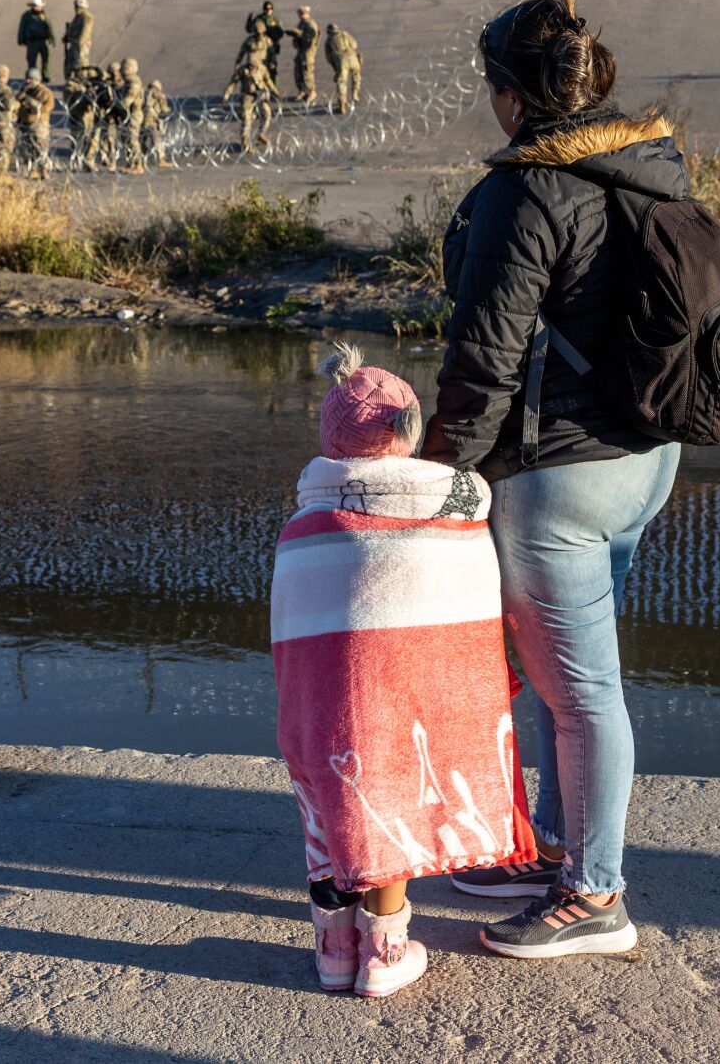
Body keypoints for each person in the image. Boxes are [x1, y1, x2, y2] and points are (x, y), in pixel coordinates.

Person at [421, 0, 682, 960]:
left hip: (561, 477)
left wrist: (439, 478)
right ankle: (555, 851)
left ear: (512, 91)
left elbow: (482, 356)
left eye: (490, 84)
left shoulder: (525, 186)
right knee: (563, 673)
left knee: (579, 693)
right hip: (645, 457)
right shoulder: (648, 161)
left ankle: (595, 894)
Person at [271, 342, 534, 997]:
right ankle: (385, 949)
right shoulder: (457, 512)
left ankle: (334, 948)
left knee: (327, 794)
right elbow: (468, 621)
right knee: (387, 792)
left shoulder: (304, 524)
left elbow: (289, 627)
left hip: (320, 700)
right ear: (410, 431)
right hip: (402, 700)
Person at [223, 52, 276, 153]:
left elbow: (268, 81)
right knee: (247, 120)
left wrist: (275, 92)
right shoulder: (243, 70)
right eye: (250, 64)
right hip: (247, 96)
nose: (251, 66)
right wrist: (226, 94)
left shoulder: (262, 69)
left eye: (253, 64)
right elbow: (233, 83)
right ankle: (245, 142)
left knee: (267, 113)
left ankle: (262, 133)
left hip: (260, 95)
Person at [16, 75, 55, 177]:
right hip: (24, 123)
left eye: (30, 79)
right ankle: (32, 169)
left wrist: (34, 105)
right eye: (27, 78)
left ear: (37, 80)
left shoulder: (44, 92)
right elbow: (17, 102)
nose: (27, 81)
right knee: (27, 148)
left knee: (40, 147)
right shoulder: (24, 90)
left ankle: (43, 170)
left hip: (39, 124)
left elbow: (48, 106)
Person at [115, 58, 147, 174]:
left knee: (132, 138)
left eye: (125, 67)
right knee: (125, 138)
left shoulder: (134, 84)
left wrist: (114, 104)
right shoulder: (126, 83)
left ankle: (138, 165)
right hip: (126, 115)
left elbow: (126, 102)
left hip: (134, 114)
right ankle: (130, 163)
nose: (122, 69)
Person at [325, 23, 362, 114]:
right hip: (353, 58)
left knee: (341, 82)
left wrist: (335, 68)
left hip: (341, 61)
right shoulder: (345, 34)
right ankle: (355, 94)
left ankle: (342, 105)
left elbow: (329, 57)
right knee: (356, 76)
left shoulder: (329, 40)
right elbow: (354, 45)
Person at [17, 0, 56, 83]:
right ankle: (32, 76)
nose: (36, 7)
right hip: (32, 41)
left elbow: (49, 27)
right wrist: (20, 38)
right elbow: (22, 27)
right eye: (35, 5)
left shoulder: (44, 16)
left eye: (38, 6)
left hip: (43, 41)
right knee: (31, 60)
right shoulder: (27, 16)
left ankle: (45, 75)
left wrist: (52, 38)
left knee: (46, 59)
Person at [288, 7, 320, 105]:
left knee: (307, 72)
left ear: (307, 13)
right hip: (301, 51)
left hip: (308, 52)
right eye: (299, 14)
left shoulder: (311, 25)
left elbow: (310, 37)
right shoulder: (302, 24)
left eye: (302, 13)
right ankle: (302, 90)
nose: (301, 15)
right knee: (298, 71)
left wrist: (298, 33)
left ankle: (312, 92)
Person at [63, 0, 93, 79]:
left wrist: (79, 43)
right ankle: (72, 80)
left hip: (81, 46)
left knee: (80, 64)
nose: (75, 8)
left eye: (77, 6)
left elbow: (85, 32)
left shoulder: (87, 17)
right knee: (70, 62)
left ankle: (81, 81)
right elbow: (72, 28)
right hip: (74, 43)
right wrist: (67, 36)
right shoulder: (78, 16)